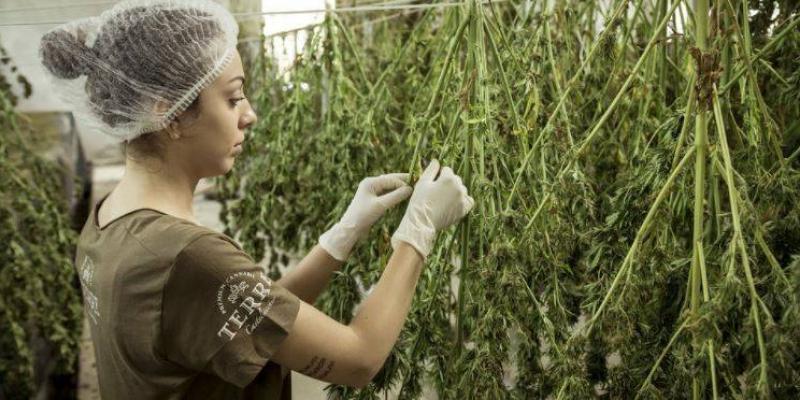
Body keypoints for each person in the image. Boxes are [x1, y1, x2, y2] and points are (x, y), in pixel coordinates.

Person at [39, 0, 474, 399]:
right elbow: (359, 359)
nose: (250, 114)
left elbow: (246, 321)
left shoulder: (109, 220)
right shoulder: (187, 257)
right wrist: (418, 231)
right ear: (168, 113)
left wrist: (340, 237)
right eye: (232, 98)